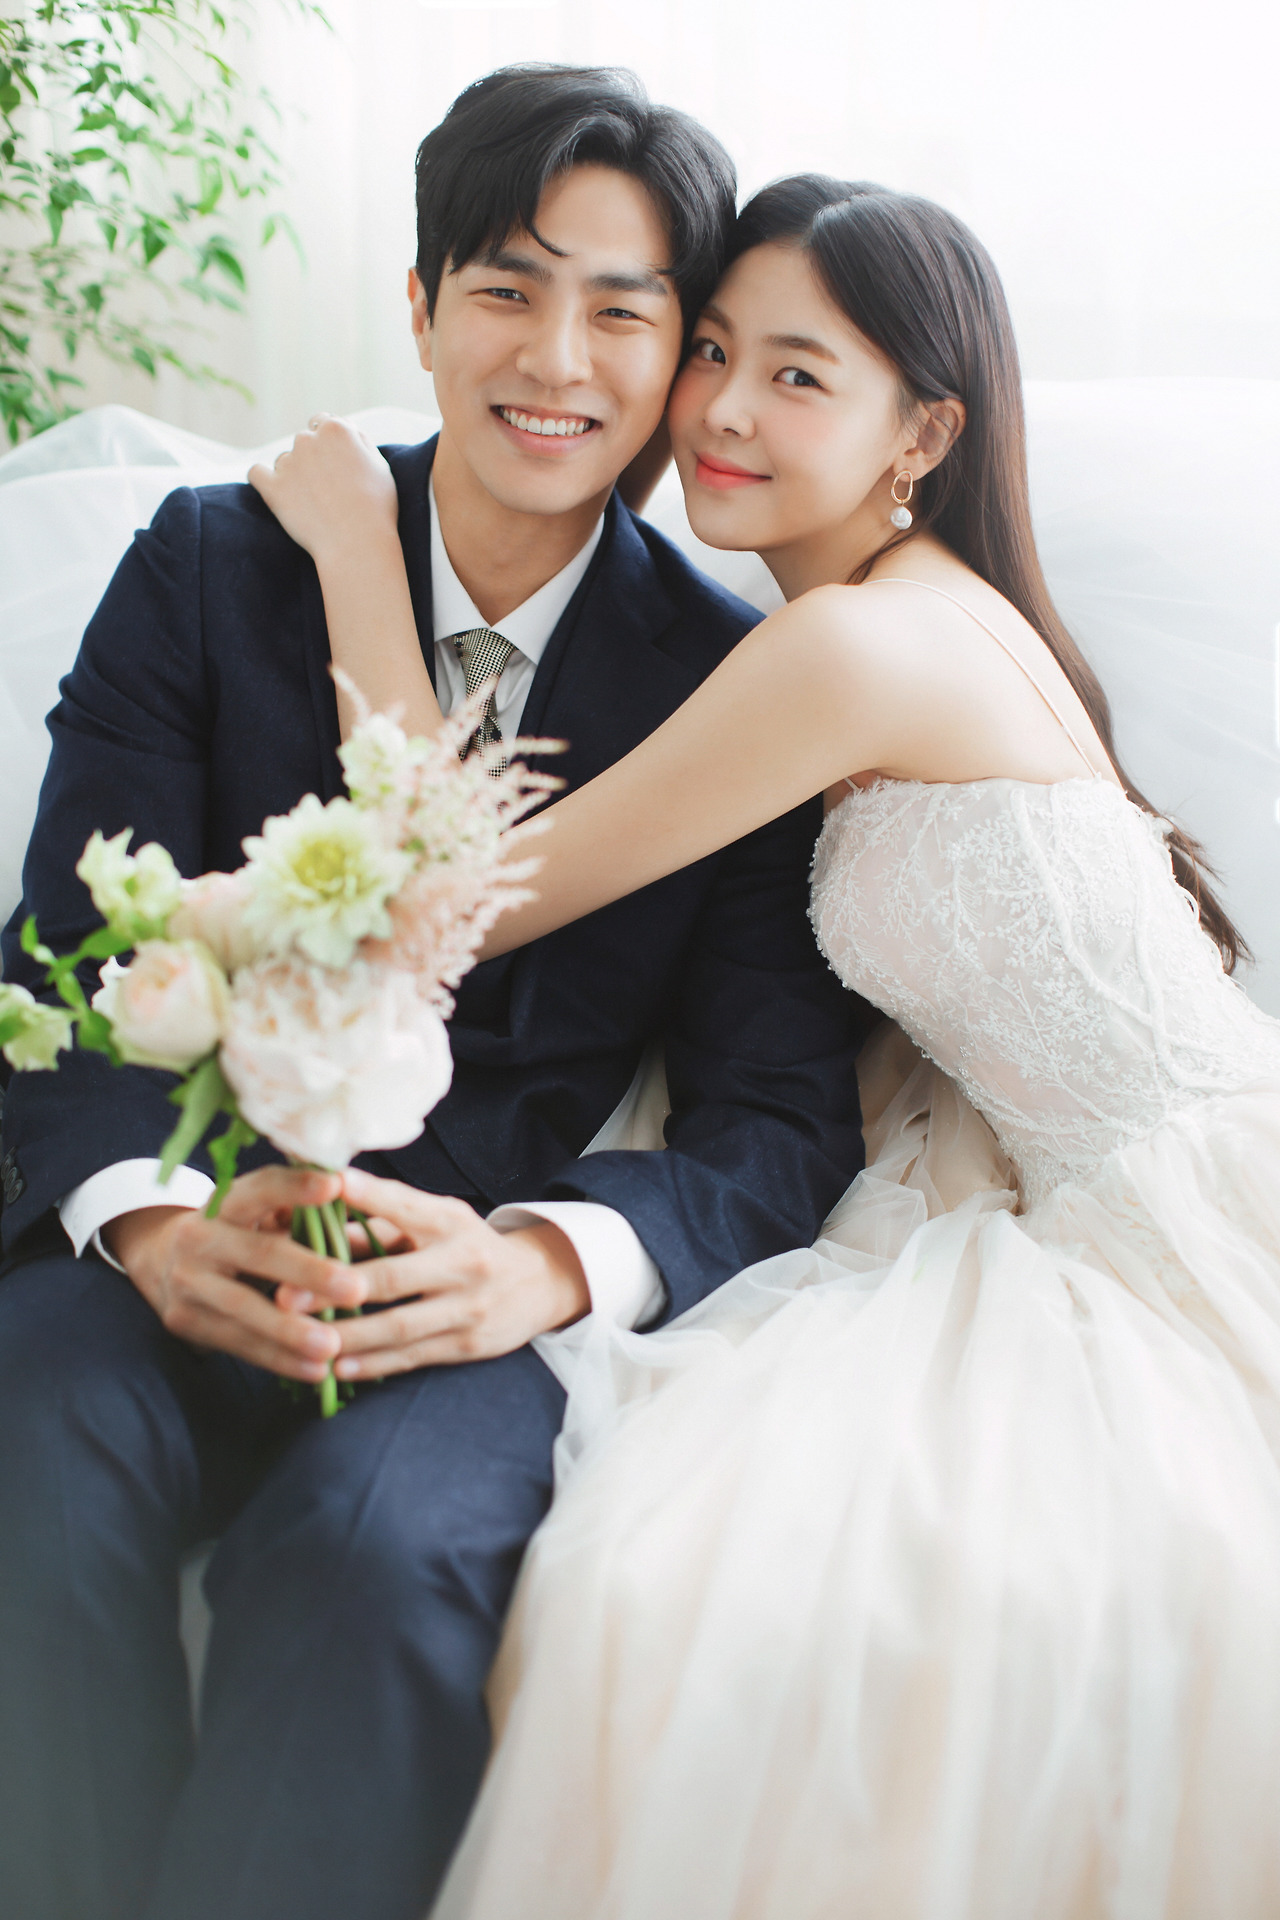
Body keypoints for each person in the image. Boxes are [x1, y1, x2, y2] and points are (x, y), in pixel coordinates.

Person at [260, 176, 1280, 1917]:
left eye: (799, 376)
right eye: (715, 350)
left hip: (1159, 1223)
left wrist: (363, 544)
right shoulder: (933, 606)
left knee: (712, 1585)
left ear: (924, 431)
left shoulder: (849, 644)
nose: (721, 410)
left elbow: (469, 895)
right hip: (1074, 1181)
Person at [0, 74, 872, 1920]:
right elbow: (62, 958)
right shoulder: (206, 564)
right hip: (180, 1227)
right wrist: (151, 1224)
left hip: (467, 1291)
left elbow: (777, 1122)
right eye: (506, 288)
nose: (555, 359)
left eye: (621, 311)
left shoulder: (735, 683)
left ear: (677, 361)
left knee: (373, 1561)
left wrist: (535, 1268)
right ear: (418, 307)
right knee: (29, 1479)